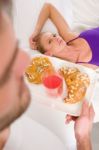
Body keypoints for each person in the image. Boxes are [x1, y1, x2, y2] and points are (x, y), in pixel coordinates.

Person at [0, 1, 95, 150]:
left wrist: (36, 33)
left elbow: (48, 7)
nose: (25, 59)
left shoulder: (70, 37)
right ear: (49, 54)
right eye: (51, 40)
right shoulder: (78, 70)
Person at [29, 3, 99, 70]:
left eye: (54, 35)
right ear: (48, 53)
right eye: (50, 41)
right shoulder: (76, 67)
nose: (56, 38)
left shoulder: (69, 36)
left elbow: (48, 7)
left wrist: (36, 31)